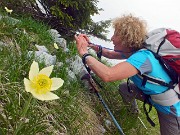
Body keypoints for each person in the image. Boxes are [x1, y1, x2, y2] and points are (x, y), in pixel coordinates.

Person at [74, 14, 180, 135]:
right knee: (125, 88)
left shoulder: (143, 58)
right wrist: (90, 45)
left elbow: (108, 75)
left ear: (127, 38)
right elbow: (110, 54)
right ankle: (131, 115)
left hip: (170, 109)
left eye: (116, 34)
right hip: (153, 97)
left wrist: (83, 52)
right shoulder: (134, 52)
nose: (112, 38)